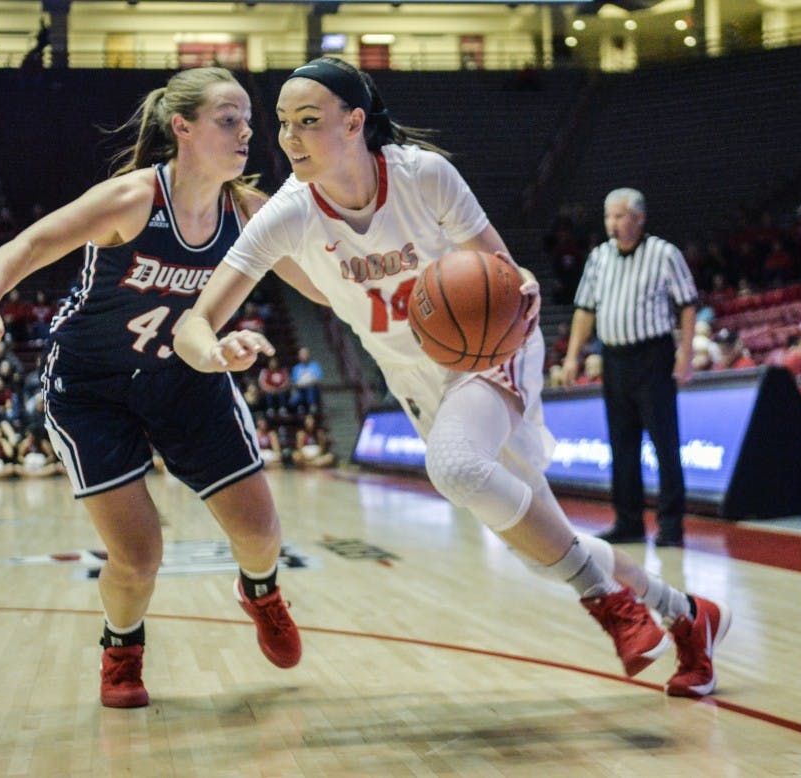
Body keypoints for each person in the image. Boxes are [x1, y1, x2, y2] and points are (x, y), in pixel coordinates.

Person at [174, 57, 729, 698]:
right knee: (543, 546)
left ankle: (610, 604)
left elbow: (504, 268)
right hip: (414, 379)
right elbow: (197, 319)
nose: (289, 138)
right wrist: (211, 351)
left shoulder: (422, 175)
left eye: (308, 122)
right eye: (282, 124)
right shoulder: (289, 214)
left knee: (457, 467)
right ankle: (689, 616)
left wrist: (516, 285)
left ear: (355, 123)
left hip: (489, 351)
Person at [0, 67, 317, 709]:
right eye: (230, 118)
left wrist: (391, 291)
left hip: (189, 378)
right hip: (92, 387)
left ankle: (259, 590)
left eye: (249, 119)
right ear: (183, 128)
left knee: (260, 535)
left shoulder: (252, 213)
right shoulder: (134, 198)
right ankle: (122, 647)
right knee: (139, 558)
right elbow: (29, 245)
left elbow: (318, 286)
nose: (247, 130)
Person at [561, 188, 697, 549]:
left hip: (653, 356)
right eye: (609, 217)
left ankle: (671, 526)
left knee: (664, 445)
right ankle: (628, 521)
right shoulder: (598, 258)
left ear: (639, 218)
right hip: (614, 359)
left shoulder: (664, 253)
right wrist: (573, 356)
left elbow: (687, 304)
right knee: (621, 445)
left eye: (620, 216)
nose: (612, 224)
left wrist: (685, 354)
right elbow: (585, 309)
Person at [290, 346, 323, 413]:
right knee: (293, 401)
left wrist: (306, 383)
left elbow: (318, 380)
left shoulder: (315, 366)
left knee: (310, 388)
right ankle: (301, 407)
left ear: (308, 355)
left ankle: (312, 407)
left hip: (313, 391)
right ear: (299, 356)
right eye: (302, 354)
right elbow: (295, 383)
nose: (303, 356)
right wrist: (307, 383)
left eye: (305, 354)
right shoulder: (296, 368)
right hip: (301, 391)